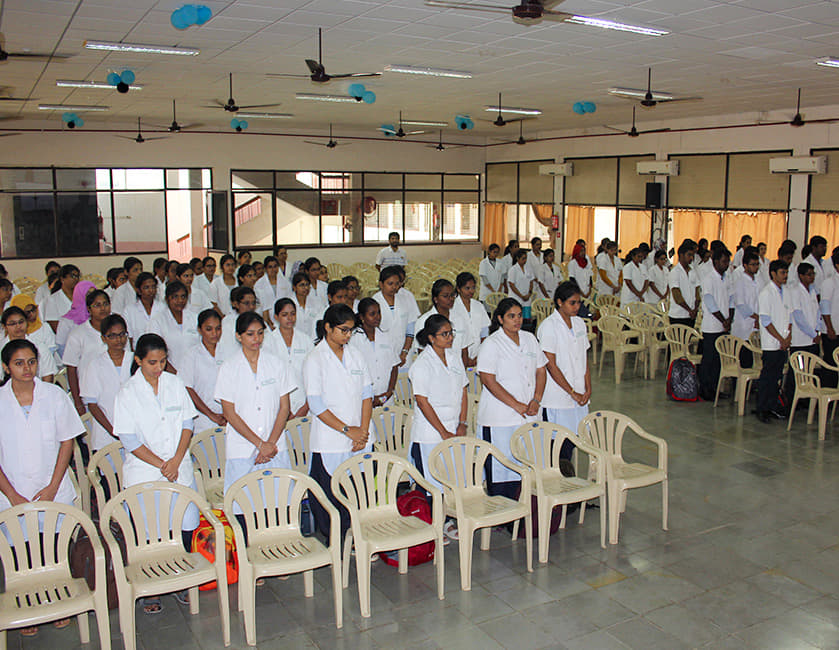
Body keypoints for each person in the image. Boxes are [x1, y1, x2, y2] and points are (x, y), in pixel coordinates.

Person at [0, 339, 82, 637]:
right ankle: (27, 608)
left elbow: (66, 442)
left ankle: (58, 601)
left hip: (53, 487)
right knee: (21, 553)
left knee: (55, 549)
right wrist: (11, 494)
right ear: (7, 367)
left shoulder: (54, 395)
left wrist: (52, 486)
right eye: (19, 363)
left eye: (32, 361)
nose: (27, 368)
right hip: (13, 489)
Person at [112, 333, 198, 614]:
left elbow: (187, 424)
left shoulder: (175, 384)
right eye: (152, 362)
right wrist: (163, 464)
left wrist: (175, 459)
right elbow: (129, 439)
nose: (158, 367)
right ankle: (153, 588)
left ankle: (180, 580)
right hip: (146, 471)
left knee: (182, 524)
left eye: (162, 361)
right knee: (150, 531)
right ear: (137, 360)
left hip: (178, 466)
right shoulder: (127, 392)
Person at [303, 304, 373, 540]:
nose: (348, 335)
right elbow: (316, 404)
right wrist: (347, 430)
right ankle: (337, 540)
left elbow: (366, 394)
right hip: (331, 437)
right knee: (330, 493)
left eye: (351, 330)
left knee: (356, 488)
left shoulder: (356, 355)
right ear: (327, 328)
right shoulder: (315, 359)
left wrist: (362, 431)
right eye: (343, 330)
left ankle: (357, 536)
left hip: (359, 435)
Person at [215, 312, 295, 516]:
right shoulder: (229, 368)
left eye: (260, 333)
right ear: (238, 336)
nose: (256, 339)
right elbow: (229, 413)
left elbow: (284, 408)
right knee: (243, 508)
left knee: (278, 506)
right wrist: (260, 444)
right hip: (243, 448)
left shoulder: (276, 364)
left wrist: (270, 444)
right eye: (250, 334)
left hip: (275, 446)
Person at [477, 297, 547, 500]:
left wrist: (537, 399)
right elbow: (488, 380)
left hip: (529, 412)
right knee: (501, 465)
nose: (517, 320)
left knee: (527, 462)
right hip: (500, 416)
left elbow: (541, 371)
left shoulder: (529, 339)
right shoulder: (492, 344)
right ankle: (501, 509)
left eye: (519, 316)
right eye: (511, 316)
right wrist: (516, 405)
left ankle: (524, 509)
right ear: (500, 318)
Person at [409, 314, 467, 541]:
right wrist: (442, 431)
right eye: (445, 334)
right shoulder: (422, 364)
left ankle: (448, 520)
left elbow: (463, 389)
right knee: (431, 482)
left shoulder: (454, 358)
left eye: (451, 332)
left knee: (452, 479)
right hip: (430, 433)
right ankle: (432, 525)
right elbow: (423, 401)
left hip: (454, 428)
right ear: (432, 338)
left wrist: (462, 423)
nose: (450, 337)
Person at [538, 282, 591, 461]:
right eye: (572, 303)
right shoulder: (549, 326)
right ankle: (558, 480)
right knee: (558, 444)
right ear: (560, 302)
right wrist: (571, 392)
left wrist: (587, 389)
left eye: (579, 303)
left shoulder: (579, 324)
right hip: (558, 396)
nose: (577, 307)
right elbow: (551, 365)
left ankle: (567, 476)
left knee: (574, 438)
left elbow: (584, 360)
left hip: (579, 393)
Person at [80, 314, 133, 452]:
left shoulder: (136, 360)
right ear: (103, 338)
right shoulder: (95, 365)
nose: (119, 340)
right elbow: (92, 404)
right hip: (107, 434)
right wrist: (112, 430)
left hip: (136, 430)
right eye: (112, 336)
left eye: (122, 334)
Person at [63, 289, 111, 414]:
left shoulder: (117, 332)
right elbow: (71, 369)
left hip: (113, 393)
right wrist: (78, 402)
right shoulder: (78, 334)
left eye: (105, 304)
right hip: (89, 396)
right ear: (89, 309)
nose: (103, 309)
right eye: (97, 305)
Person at [755, 260, 791, 423]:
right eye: (782, 272)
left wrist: (788, 338)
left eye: (786, 272)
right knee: (767, 377)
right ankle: (762, 408)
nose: (785, 275)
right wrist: (780, 339)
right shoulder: (766, 293)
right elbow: (766, 320)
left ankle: (772, 406)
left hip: (783, 342)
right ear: (773, 274)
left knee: (776, 376)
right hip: (772, 342)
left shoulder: (786, 292)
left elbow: (789, 316)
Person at [180, 309, 227, 433]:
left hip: (227, 418)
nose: (214, 333)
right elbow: (188, 389)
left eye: (218, 328)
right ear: (200, 330)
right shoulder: (191, 356)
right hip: (202, 420)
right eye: (209, 329)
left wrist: (228, 413)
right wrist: (211, 414)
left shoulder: (227, 352)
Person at [268, 298, 313, 418]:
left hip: (304, 402)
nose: (290, 318)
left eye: (293, 314)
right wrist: (284, 409)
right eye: (284, 315)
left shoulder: (305, 340)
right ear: (276, 317)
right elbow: (269, 378)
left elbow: (313, 374)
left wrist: (306, 406)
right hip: (278, 404)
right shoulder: (268, 341)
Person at [350, 298, 399, 407]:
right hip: (363, 399)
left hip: (386, 398)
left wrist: (389, 392)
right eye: (372, 314)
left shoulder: (386, 337)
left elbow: (394, 367)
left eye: (379, 313)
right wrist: (368, 396)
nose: (377, 317)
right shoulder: (353, 340)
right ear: (362, 317)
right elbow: (352, 373)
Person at [698, 247, 733, 401]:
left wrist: (730, 318)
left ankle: (715, 388)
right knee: (709, 359)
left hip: (724, 325)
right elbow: (710, 302)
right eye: (724, 261)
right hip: (712, 325)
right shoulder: (708, 279)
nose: (727, 265)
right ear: (716, 261)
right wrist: (723, 320)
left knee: (719, 360)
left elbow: (731, 300)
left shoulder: (727, 278)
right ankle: (705, 389)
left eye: (728, 262)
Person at [414, 279, 471, 366]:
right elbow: (422, 353)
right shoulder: (423, 321)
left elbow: (464, 351)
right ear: (436, 299)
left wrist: (462, 372)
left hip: (456, 371)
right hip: (434, 371)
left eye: (453, 295)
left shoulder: (460, 319)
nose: (451, 299)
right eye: (445, 296)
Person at [146, 281, 200, 374]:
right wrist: (176, 374)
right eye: (175, 297)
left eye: (183, 296)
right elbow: (156, 352)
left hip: (195, 372)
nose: (180, 301)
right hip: (168, 373)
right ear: (167, 299)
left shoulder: (195, 318)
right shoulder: (157, 321)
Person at [373, 266, 418, 367]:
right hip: (382, 352)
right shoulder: (374, 302)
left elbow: (410, 330)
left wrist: (404, 352)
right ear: (381, 284)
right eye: (390, 284)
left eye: (397, 284)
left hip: (404, 352)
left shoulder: (405, 299)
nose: (394, 287)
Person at [1, 306, 57, 382]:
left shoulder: (39, 346)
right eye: (12, 324)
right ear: (4, 326)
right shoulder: (1, 347)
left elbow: (48, 375)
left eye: (21, 322)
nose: (18, 326)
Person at [452, 272, 491, 363]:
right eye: (467, 288)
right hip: (458, 353)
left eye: (473, 288)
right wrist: (465, 358)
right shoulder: (452, 307)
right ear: (458, 289)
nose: (471, 291)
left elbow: (484, 333)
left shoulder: (478, 306)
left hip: (478, 353)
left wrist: (479, 355)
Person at [733, 250, 761, 367]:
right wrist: (756, 317)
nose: (756, 267)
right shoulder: (740, 281)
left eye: (757, 264)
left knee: (754, 359)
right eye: (753, 264)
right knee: (744, 360)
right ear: (745, 265)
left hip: (755, 325)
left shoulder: (758, 280)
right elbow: (741, 304)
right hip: (743, 325)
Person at [56, 280, 97, 356]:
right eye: (88, 293)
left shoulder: (99, 316)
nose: (92, 297)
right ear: (79, 295)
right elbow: (61, 346)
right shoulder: (67, 321)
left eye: (94, 293)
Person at [124, 272, 164, 348]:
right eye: (146, 287)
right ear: (138, 290)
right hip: (139, 351)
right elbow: (129, 337)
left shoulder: (163, 308)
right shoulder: (129, 310)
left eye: (153, 287)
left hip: (159, 350)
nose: (150, 290)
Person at [217, 286, 259, 359]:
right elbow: (227, 349)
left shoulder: (258, 320)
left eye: (254, 303)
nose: (251, 307)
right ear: (236, 304)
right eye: (246, 303)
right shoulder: (228, 323)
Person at [10, 294, 56, 359]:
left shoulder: (44, 327)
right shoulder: (14, 332)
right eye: (27, 312)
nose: (32, 314)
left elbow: (51, 350)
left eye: (33, 310)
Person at [669, 240, 700, 328]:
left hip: (691, 315)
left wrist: (695, 309)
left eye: (693, 256)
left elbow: (697, 292)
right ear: (681, 255)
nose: (691, 258)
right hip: (678, 315)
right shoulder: (675, 272)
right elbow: (676, 294)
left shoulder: (693, 271)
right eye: (689, 255)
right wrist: (689, 310)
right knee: (678, 340)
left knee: (688, 341)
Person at [256, 255, 291, 328]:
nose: (273, 269)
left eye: (275, 266)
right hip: (266, 319)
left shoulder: (285, 282)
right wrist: (268, 322)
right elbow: (260, 305)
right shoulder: (259, 284)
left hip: (283, 317)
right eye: (270, 267)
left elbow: (289, 300)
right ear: (265, 269)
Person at [44, 264, 80, 332]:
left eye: (77, 276)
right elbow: (54, 324)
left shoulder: (82, 297)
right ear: (62, 279)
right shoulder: (52, 299)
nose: (76, 279)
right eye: (73, 276)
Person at [290, 271, 323, 341]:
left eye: (307, 285)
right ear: (294, 287)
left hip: (313, 340)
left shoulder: (317, 302)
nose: (306, 288)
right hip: (294, 340)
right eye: (302, 285)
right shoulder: (289, 304)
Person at [821, 249, 839, 371]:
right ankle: (828, 389)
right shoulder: (829, 282)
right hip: (832, 330)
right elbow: (825, 307)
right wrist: (830, 328)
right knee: (831, 365)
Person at [506, 249, 535, 319]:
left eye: (526, 258)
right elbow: (512, 285)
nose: (525, 260)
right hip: (516, 297)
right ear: (517, 258)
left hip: (527, 298)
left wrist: (529, 293)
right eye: (523, 259)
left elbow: (531, 282)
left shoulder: (528, 268)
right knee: (516, 318)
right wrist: (521, 296)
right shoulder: (513, 270)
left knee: (526, 319)